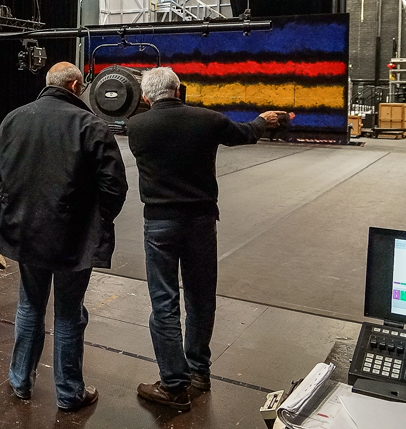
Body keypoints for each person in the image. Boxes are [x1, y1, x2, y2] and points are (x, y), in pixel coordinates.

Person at [125, 66, 293, 412]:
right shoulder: (208, 120)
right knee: (201, 299)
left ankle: (174, 385)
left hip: (159, 224)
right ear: (179, 89)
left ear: (145, 97)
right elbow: (246, 133)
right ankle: (199, 373)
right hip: (201, 222)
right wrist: (263, 119)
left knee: (164, 302)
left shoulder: (137, 127)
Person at [0, 62, 128, 412]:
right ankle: (69, 393)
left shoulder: (13, 118)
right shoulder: (91, 125)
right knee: (68, 313)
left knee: (30, 305)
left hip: (25, 233)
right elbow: (114, 188)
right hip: (73, 238)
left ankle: (19, 382)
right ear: (76, 86)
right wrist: (94, 220)